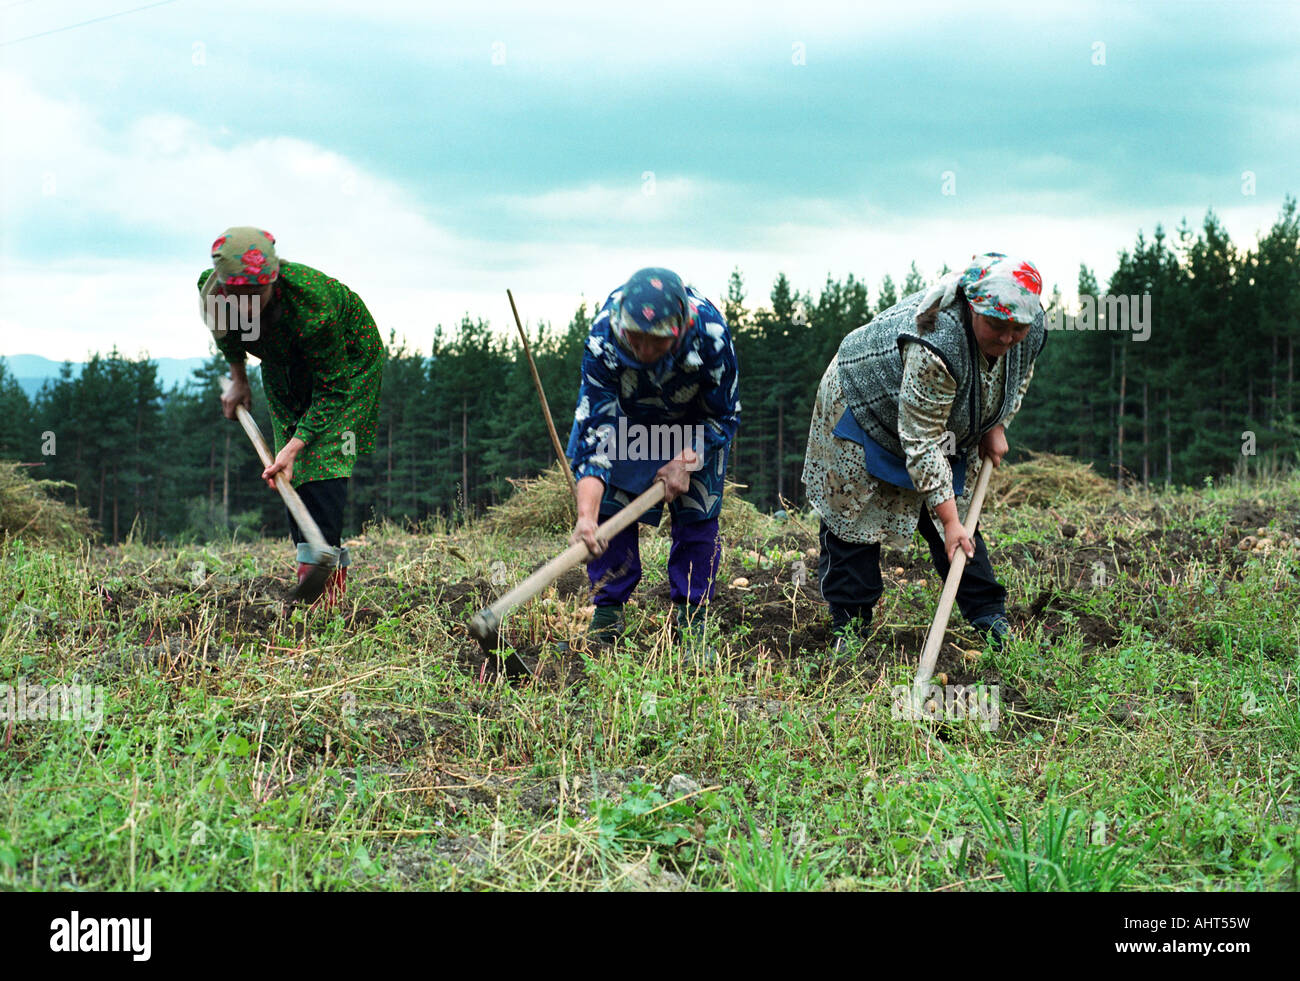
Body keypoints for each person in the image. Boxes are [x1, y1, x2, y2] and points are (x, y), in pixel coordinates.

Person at [802, 252, 1046, 654]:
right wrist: (948, 520)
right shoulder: (937, 342)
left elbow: (1017, 376)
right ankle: (851, 628)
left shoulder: (1029, 326)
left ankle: (988, 616)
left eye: (1016, 328)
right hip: (865, 403)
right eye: (996, 326)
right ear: (972, 308)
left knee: (961, 524)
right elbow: (920, 442)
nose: (1006, 338)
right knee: (856, 516)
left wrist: (996, 423)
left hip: (937, 417)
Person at [197, 227, 383, 606]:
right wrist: (238, 381)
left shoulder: (312, 305)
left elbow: (334, 388)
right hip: (282, 362)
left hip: (346, 364)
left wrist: (297, 446)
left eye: (257, 295)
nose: (247, 307)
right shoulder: (214, 291)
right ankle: (309, 559)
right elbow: (229, 335)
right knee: (288, 470)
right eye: (239, 297)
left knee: (324, 455)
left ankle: (327, 576)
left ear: (274, 278)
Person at [566, 267, 741, 661]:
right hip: (628, 420)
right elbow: (595, 434)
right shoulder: (604, 338)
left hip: (695, 422)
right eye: (636, 338)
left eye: (656, 341)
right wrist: (586, 517)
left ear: (678, 331)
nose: (644, 351)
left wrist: (685, 459)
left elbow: (724, 416)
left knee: (697, 515)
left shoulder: (710, 335)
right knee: (611, 511)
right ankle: (607, 620)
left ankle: (692, 623)